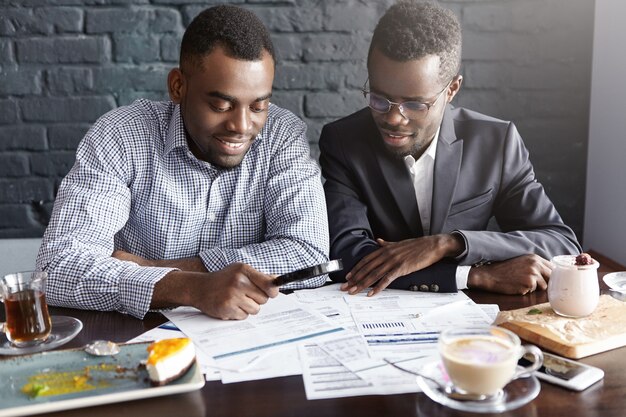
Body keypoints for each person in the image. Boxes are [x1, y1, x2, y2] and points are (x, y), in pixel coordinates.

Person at [36, 5, 329, 320]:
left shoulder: (282, 136)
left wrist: (155, 270)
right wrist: (190, 288)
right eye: (221, 104)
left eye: (258, 106)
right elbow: (56, 267)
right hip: (139, 336)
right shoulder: (121, 135)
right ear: (178, 86)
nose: (242, 126)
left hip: (244, 337)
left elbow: (309, 256)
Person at [319, 0, 581, 298]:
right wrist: (472, 275)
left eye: (415, 104)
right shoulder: (343, 142)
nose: (393, 117)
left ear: (452, 89)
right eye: (380, 99)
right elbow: (345, 257)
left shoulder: (496, 142)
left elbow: (561, 243)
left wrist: (448, 243)